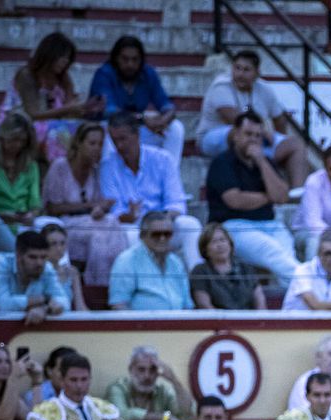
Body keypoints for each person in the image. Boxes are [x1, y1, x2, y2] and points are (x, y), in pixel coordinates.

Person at [205, 110, 297, 291]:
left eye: (257, 136)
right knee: (276, 253)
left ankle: (295, 310)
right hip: (234, 227)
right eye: (248, 134)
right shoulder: (222, 162)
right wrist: (268, 196)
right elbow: (235, 200)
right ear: (236, 135)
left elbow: (281, 197)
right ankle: (314, 291)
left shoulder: (266, 162)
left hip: (270, 225)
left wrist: (261, 162)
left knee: (287, 257)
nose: (253, 140)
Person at [99, 111, 201, 268]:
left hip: (164, 223)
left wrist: (161, 221)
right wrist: (129, 216)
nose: (119, 146)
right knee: (128, 235)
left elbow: (176, 203)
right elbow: (115, 212)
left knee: (190, 225)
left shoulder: (163, 159)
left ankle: (198, 281)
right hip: (133, 226)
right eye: (115, 141)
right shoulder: (108, 166)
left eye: (123, 139)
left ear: (137, 135)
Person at [196, 50, 306, 187]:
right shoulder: (221, 86)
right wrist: (265, 132)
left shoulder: (264, 88)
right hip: (213, 138)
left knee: (295, 144)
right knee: (238, 132)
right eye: (237, 68)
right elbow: (237, 121)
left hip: (254, 139)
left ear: (257, 73)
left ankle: (297, 196)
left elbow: (279, 119)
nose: (240, 74)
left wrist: (277, 142)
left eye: (246, 70)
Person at [40, 120, 126, 285]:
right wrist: (88, 206)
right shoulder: (60, 166)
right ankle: (98, 285)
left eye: (100, 144)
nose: (97, 148)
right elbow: (52, 207)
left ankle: (119, 283)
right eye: (92, 143)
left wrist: (101, 207)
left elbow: (97, 202)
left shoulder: (96, 170)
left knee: (112, 222)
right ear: (79, 143)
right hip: (65, 223)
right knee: (98, 235)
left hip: (89, 221)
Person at [0, 32, 100, 166]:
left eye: (68, 58)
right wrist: (67, 109)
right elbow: (33, 114)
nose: (65, 62)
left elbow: (70, 112)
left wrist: (85, 109)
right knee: (55, 133)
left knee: (82, 130)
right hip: (21, 122)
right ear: (50, 54)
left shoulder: (64, 78)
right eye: (62, 57)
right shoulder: (27, 75)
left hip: (54, 124)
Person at [87, 36, 184, 164]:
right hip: (111, 130)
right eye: (125, 59)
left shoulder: (147, 73)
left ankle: (170, 178)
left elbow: (166, 105)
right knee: (107, 128)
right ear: (116, 58)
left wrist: (163, 120)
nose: (130, 64)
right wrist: (142, 118)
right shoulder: (104, 74)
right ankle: (110, 180)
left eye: (135, 60)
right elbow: (109, 111)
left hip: (136, 130)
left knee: (175, 128)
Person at [26, 352, 129, 420]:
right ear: (62, 380)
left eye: (84, 379)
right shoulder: (44, 413)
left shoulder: (102, 408)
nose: (79, 385)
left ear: (90, 379)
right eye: (73, 380)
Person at [107, 209, 191, 311]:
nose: (162, 238)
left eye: (167, 234)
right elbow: (119, 305)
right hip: (143, 325)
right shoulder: (127, 260)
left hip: (179, 324)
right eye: (156, 234)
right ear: (142, 236)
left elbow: (187, 305)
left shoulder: (176, 262)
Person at [105, 344, 194, 420]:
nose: (147, 376)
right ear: (131, 370)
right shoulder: (118, 388)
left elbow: (186, 413)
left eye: (152, 370)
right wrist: (162, 418)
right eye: (141, 369)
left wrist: (173, 380)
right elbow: (120, 414)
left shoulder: (163, 391)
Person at [0, 228, 69, 322]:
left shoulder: (46, 268)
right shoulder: (0, 263)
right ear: (18, 255)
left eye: (43, 257)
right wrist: (45, 300)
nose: (39, 263)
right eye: (33, 257)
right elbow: (3, 304)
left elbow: (65, 302)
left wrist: (44, 308)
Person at [0, 112, 43, 242]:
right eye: (14, 139)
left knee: (53, 229)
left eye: (22, 141)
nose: (18, 145)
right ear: (3, 137)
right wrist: (1, 216)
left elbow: (35, 202)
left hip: (22, 222)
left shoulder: (30, 166)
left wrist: (30, 215)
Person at [189, 222, 267, 310]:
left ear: (230, 243)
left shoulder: (246, 268)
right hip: (217, 321)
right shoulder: (200, 271)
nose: (220, 245)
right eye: (214, 242)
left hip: (248, 321)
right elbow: (204, 305)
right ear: (205, 248)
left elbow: (260, 302)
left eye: (222, 240)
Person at [40, 224, 88, 313]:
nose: (59, 248)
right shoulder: (38, 271)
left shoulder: (72, 272)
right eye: (53, 244)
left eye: (62, 243)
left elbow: (80, 307)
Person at [0, 341, 35, 420]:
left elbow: (34, 419)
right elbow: (5, 419)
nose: (5, 366)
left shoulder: (9, 395)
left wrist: (37, 381)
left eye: (7, 361)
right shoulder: (12, 381)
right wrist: (13, 377)